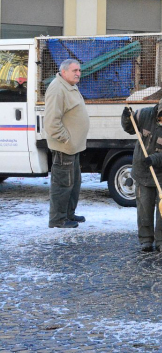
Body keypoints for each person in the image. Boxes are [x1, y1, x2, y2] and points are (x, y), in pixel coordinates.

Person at [121, 95, 162, 253]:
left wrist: (154, 159)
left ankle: (161, 240)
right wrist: (126, 117)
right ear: (159, 113)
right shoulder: (145, 115)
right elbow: (130, 128)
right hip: (142, 171)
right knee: (144, 207)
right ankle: (146, 239)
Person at [45, 59, 90, 228]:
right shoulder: (57, 89)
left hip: (73, 147)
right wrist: (66, 139)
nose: (78, 73)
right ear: (63, 72)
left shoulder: (70, 86)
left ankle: (68, 215)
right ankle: (58, 219)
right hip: (64, 147)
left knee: (73, 184)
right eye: (74, 70)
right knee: (62, 185)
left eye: (79, 70)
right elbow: (51, 122)